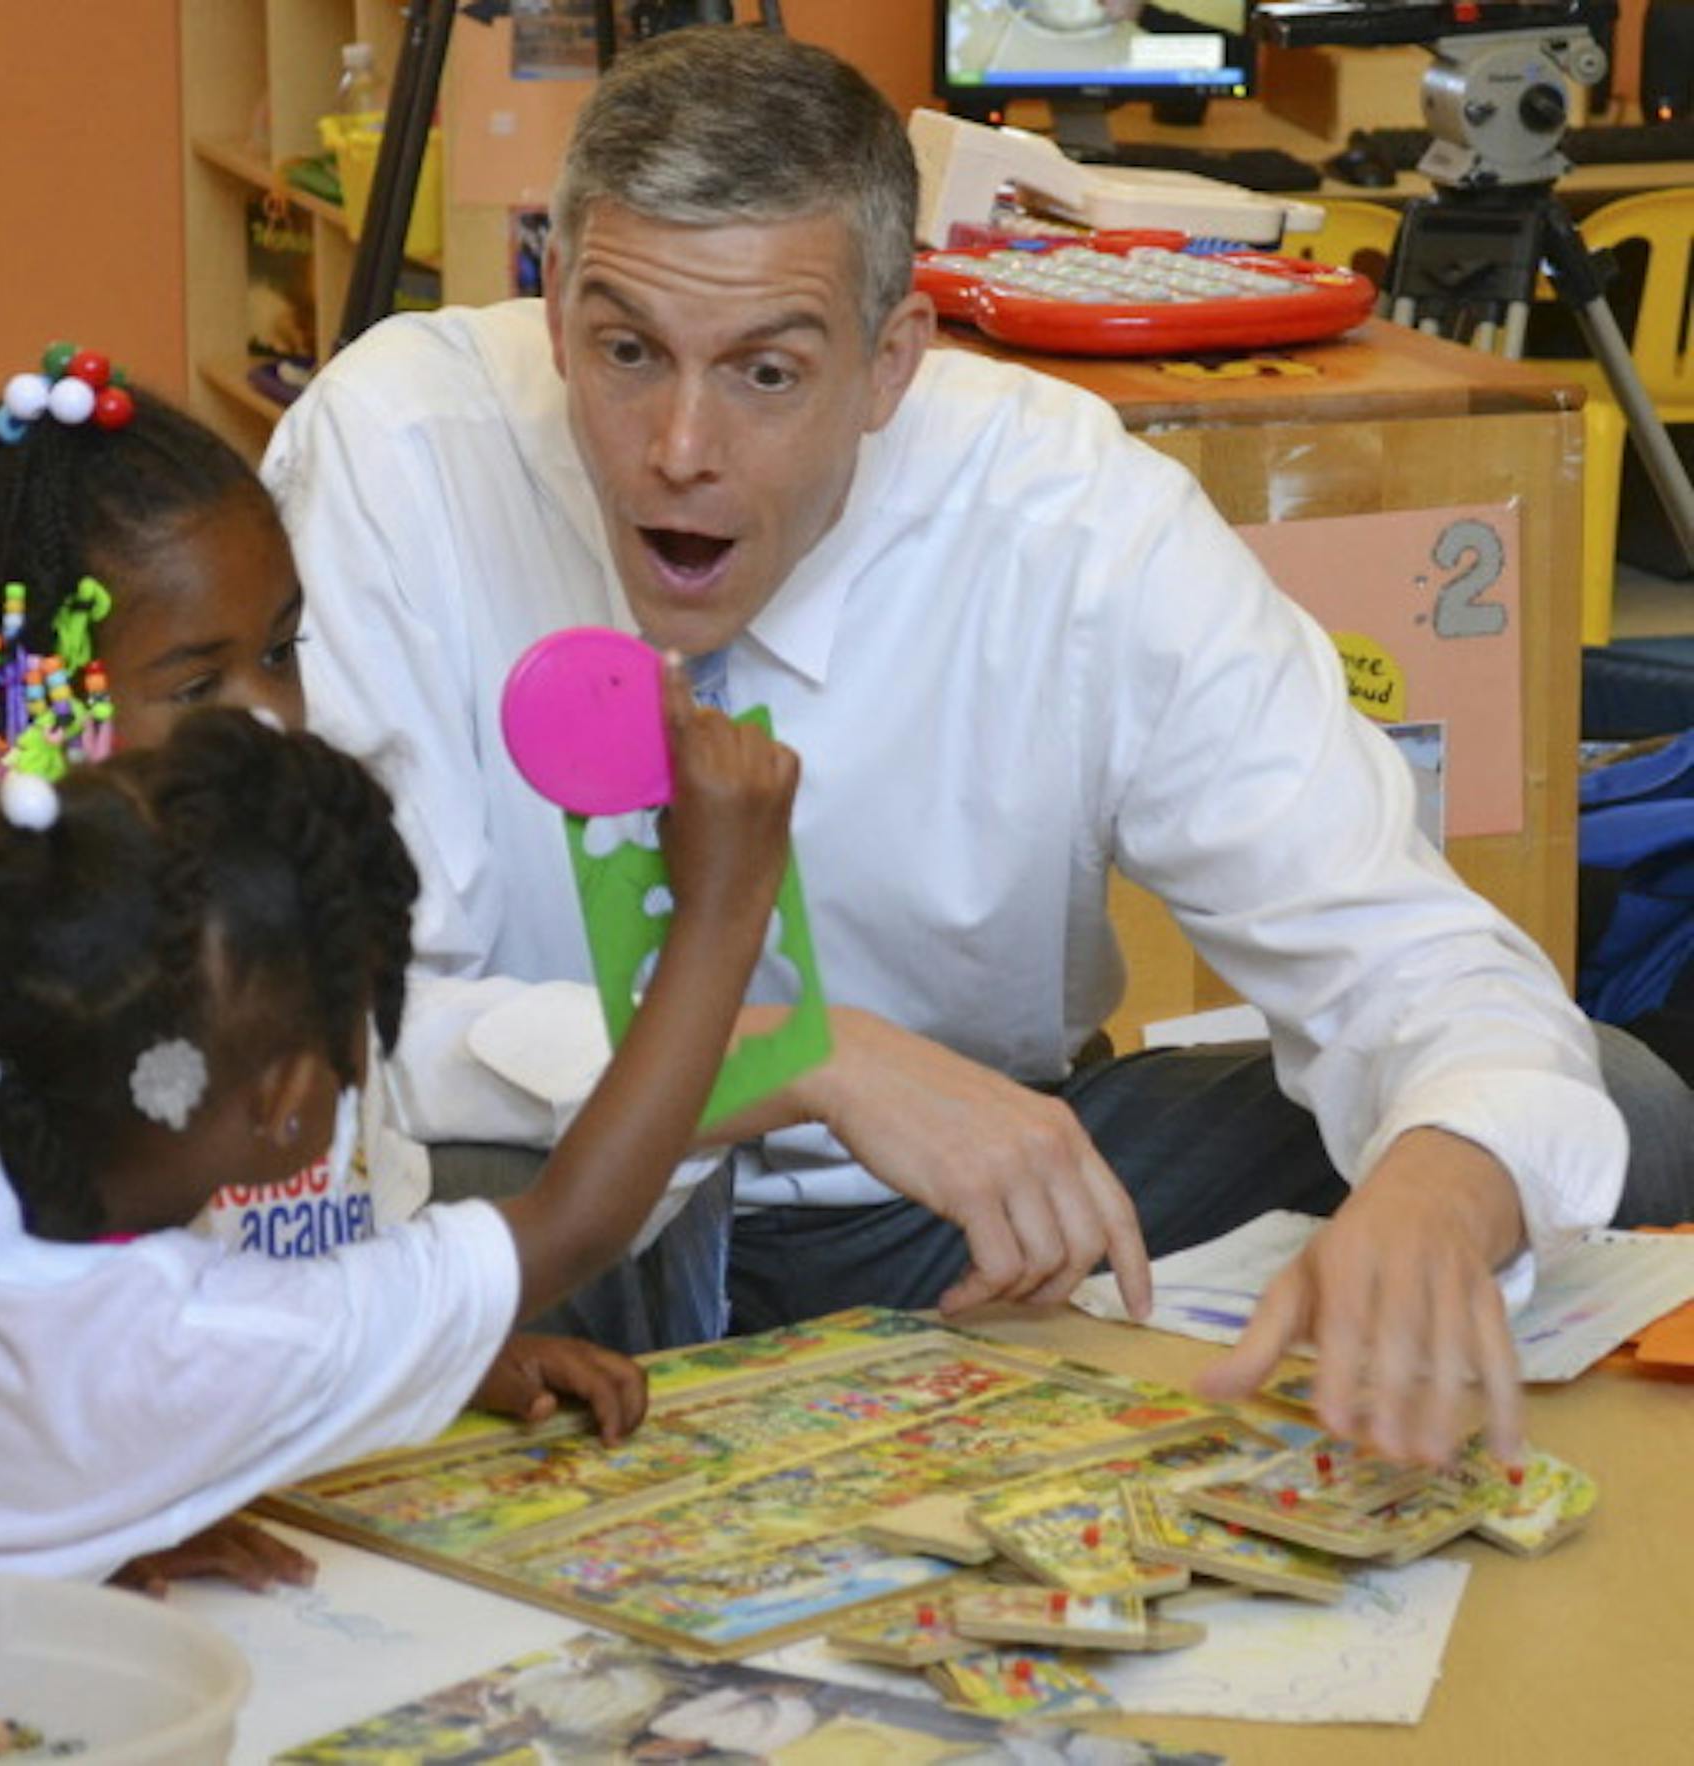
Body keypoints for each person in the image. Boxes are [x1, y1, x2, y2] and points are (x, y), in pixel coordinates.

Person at [265, 25, 1694, 1471]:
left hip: (966, 1227)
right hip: (582, 1207)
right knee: (446, 1183)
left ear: (892, 361)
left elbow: (1418, 960)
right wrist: (801, 1056)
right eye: (626, 350)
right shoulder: (400, 451)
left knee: (1595, 1109)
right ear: (556, 297)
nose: (678, 446)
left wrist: (1439, 1191)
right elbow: (341, 1032)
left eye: (767, 374)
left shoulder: (1073, 520)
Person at [0, 692, 798, 1764]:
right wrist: (724, 910)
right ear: (291, 1101)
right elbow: (574, 1225)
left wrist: (111, 1500)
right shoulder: (171, 1343)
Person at [0, 353, 647, 1592]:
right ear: (27, 701)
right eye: (199, 682)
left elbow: (341, 1215)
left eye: (282, 650)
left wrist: (443, 1351)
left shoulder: (278, 887)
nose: (268, 717)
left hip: (295, 1472)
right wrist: (93, 1520)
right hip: (48, 1525)